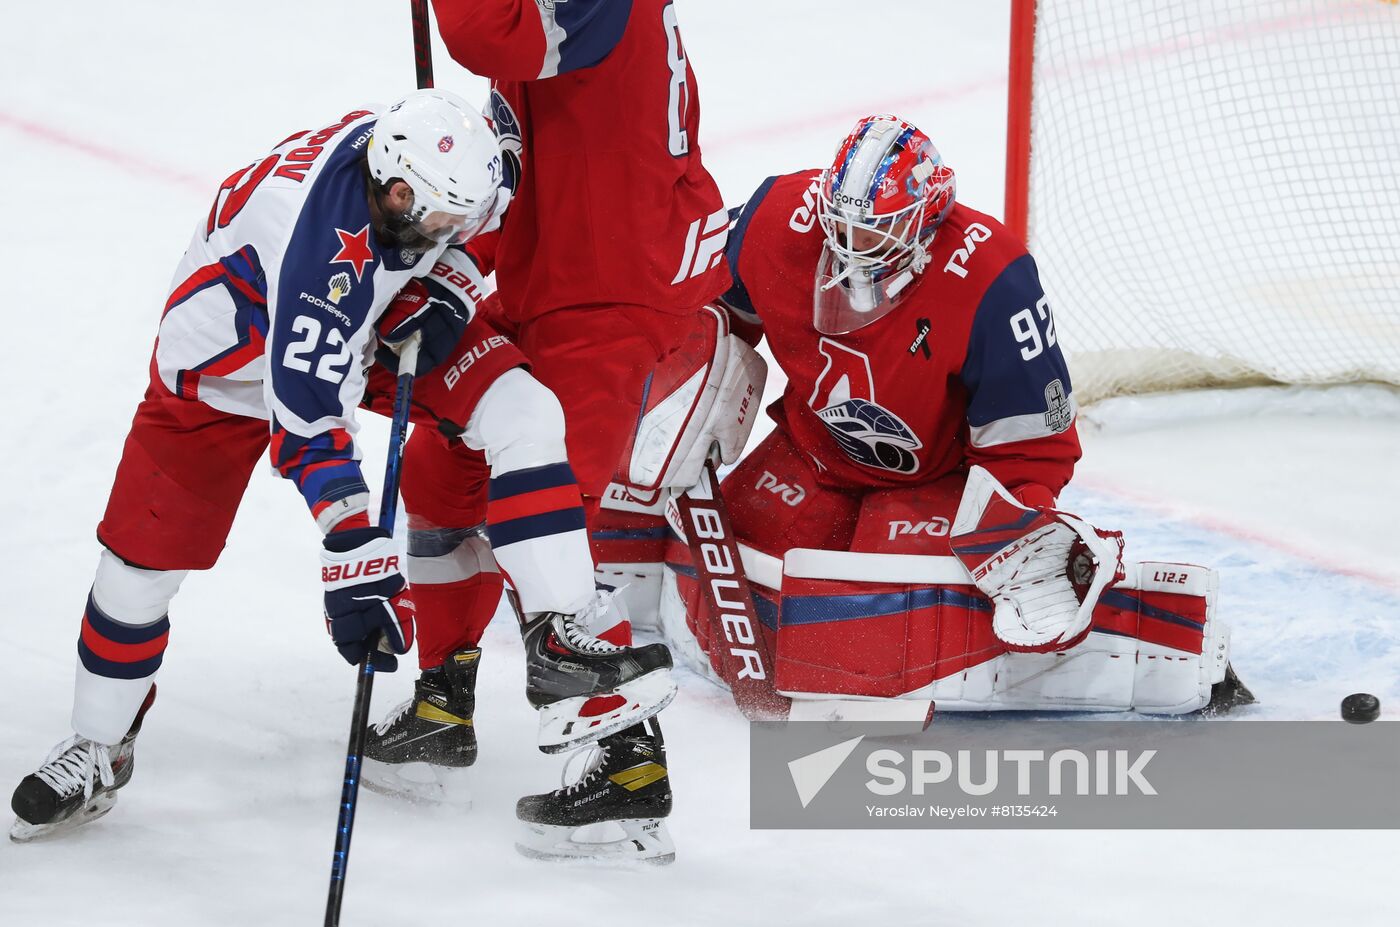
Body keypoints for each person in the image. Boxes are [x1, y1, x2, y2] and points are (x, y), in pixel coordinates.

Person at [8, 89, 675, 845]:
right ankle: (97, 742)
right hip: (227, 366)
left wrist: (450, 285)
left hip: (368, 323)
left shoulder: (452, 171)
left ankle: (558, 639)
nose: (447, 232)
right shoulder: (319, 245)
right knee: (139, 567)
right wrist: (353, 543)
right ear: (393, 192)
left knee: (526, 411)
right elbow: (307, 415)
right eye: (432, 223)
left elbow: (492, 187)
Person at [663, 113, 1250, 718]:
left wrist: (1015, 530)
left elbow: (1031, 444)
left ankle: (1149, 639)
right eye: (838, 224)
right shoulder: (771, 218)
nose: (848, 248)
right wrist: (687, 392)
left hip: (932, 482)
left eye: (874, 232)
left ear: (927, 220)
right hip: (810, 453)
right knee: (708, 562)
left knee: (871, 625)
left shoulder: (993, 279)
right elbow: (706, 317)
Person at [355, 0, 734, 863]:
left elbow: (485, 33)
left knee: (550, 518)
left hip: (610, 283)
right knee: (439, 463)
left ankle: (628, 772)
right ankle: (443, 702)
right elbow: (525, 133)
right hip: (557, 267)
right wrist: (459, 248)